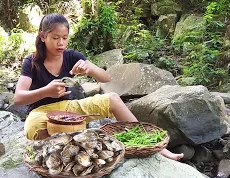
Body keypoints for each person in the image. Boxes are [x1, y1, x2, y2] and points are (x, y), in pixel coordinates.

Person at [13, 13, 184, 161]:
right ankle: (58, 160)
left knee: (113, 99)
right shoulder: (32, 61)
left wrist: (90, 69)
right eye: (55, 38)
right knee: (34, 127)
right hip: (41, 112)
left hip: (68, 110)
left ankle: (156, 147)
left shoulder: (72, 56)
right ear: (43, 36)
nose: (61, 43)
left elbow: (106, 77)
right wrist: (46, 91)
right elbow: (18, 98)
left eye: (65, 38)